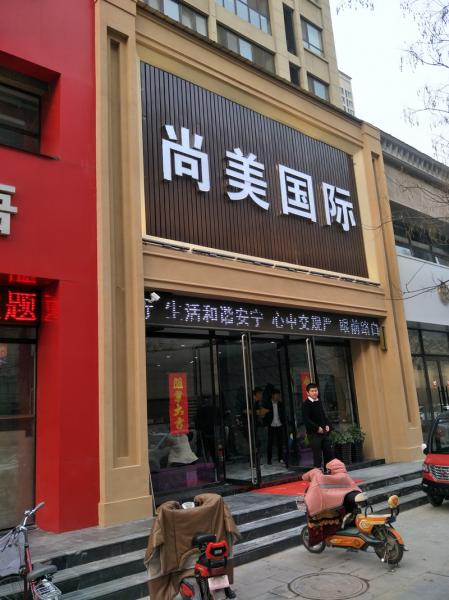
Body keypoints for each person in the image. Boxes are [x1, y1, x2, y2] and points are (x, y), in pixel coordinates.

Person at [302, 382, 334, 469]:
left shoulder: (318, 402)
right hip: (313, 434)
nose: (314, 393)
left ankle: (327, 470)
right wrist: (317, 428)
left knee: (328, 452)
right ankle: (317, 472)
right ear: (308, 393)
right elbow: (306, 420)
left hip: (323, 432)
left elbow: (323, 416)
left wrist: (327, 425)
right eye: (312, 391)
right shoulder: (305, 404)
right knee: (317, 455)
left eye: (316, 390)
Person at [263, 388, 286, 465]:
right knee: (270, 442)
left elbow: (283, 414)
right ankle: (269, 459)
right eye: (276, 395)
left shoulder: (280, 404)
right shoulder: (267, 404)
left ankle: (280, 458)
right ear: (272, 395)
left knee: (280, 442)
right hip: (271, 425)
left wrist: (284, 422)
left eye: (278, 395)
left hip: (279, 424)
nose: (278, 396)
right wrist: (265, 424)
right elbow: (264, 416)